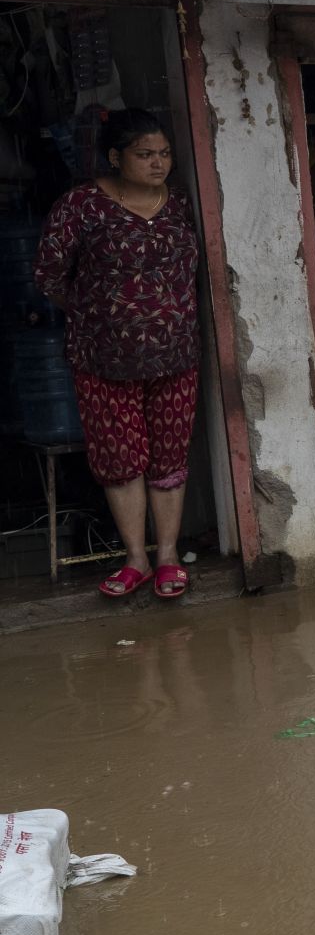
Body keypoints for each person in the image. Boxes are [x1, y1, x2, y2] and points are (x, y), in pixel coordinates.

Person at [34, 108, 200, 599]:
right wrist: (99, 315)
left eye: (164, 154)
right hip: (102, 360)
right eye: (144, 154)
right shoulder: (81, 206)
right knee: (120, 458)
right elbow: (48, 275)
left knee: (168, 457)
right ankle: (136, 559)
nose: (158, 163)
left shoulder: (181, 205)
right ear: (115, 157)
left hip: (175, 357)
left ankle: (169, 557)